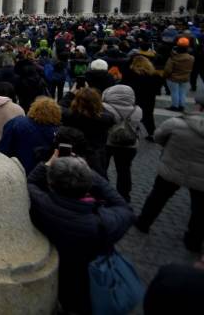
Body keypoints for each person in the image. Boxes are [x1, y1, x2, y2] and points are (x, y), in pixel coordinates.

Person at [27, 153, 133, 314]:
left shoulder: (42, 203)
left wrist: (47, 163)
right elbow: (125, 209)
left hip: (52, 267)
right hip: (86, 279)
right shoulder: (103, 223)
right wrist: (92, 175)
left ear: (51, 183)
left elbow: (30, 183)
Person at [136, 90, 204, 252]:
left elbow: (158, 138)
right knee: (200, 209)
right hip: (201, 177)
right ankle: (194, 240)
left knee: (157, 197)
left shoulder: (176, 123)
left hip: (172, 167)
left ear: (199, 107)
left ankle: (144, 222)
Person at [102, 84, 146, 201]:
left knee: (102, 168)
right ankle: (124, 195)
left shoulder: (104, 107)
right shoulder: (138, 110)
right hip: (129, 144)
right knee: (124, 170)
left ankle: (102, 192)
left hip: (107, 142)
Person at [0, 96, 61, 174]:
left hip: (15, 169)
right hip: (40, 174)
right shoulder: (57, 132)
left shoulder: (16, 123)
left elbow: (3, 149)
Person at [61, 87, 114, 177]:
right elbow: (108, 114)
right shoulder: (105, 119)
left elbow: (61, 106)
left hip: (74, 154)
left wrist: (70, 93)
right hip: (96, 155)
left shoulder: (70, 116)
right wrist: (96, 104)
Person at [165, 37, 195, 111]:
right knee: (182, 92)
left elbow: (167, 70)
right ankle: (181, 105)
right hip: (185, 77)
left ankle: (175, 106)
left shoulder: (173, 58)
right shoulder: (191, 58)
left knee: (174, 92)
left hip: (173, 78)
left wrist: (165, 76)